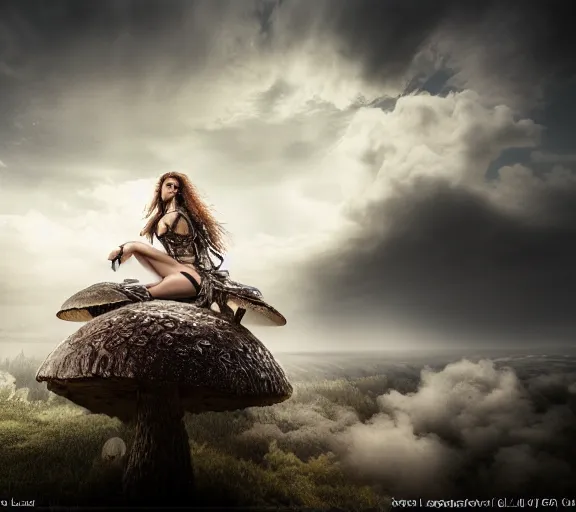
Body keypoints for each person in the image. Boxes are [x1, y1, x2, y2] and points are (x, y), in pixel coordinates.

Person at [106, 172, 285, 325]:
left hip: (188, 277)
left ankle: (122, 260)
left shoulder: (176, 216)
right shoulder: (167, 215)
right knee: (136, 256)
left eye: (176, 187)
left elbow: (171, 252)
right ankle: (121, 258)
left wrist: (125, 249)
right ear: (159, 187)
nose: (173, 190)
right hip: (176, 271)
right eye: (169, 185)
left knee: (139, 289)